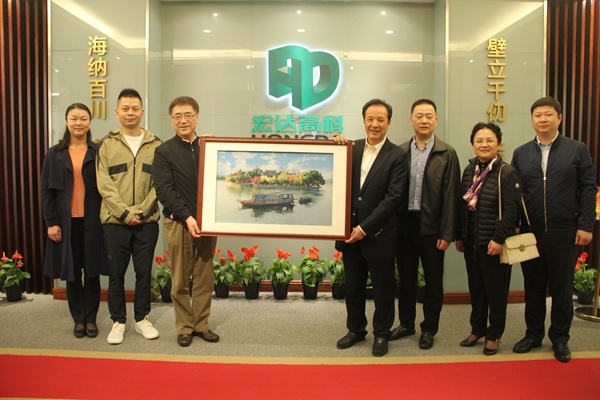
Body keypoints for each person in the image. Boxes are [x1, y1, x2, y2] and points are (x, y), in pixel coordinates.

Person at [511, 97, 596, 363]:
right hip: (531, 232)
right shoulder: (521, 153)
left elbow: (588, 188)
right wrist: (516, 225)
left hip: (565, 231)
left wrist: (585, 225)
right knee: (533, 288)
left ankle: (560, 339)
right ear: (532, 120)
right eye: (538, 115)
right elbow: (515, 193)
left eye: (548, 114)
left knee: (562, 290)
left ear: (559, 118)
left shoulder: (576, 149)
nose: (543, 119)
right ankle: (533, 335)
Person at [334, 98, 408, 357]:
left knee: (383, 289)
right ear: (364, 120)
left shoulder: (398, 155)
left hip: (379, 234)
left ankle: (382, 333)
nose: (375, 124)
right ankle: (355, 329)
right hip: (349, 234)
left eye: (380, 120)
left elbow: (393, 198)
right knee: (352, 286)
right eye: (370, 119)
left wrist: (364, 228)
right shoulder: (350, 148)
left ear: (389, 122)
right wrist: (336, 146)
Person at [391, 99, 461, 350]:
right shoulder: (399, 152)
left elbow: (452, 196)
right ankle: (406, 324)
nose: (424, 120)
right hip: (404, 226)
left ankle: (429, 329)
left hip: (433, 227)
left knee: (433, 282)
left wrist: (447, 233)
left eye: (429, 116)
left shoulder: (448, 153)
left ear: (436, 120)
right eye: (419, 116)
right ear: (411, 120)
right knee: (406, 280)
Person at [152, 96, 219, 347]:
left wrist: (215, 146)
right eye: (177, 116)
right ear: (172, 120)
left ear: (197, 117)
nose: (183, 120)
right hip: (179, 223)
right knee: (180, 279)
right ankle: (184, 327)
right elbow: (164, 191)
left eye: (188, 115)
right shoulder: (164, 151)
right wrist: (187, 217)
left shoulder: (208, 147)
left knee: (205, 277)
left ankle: (201, 324)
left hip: (207, 224)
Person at [96, 88, 162, 345]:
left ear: (142, 112)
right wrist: (124, 213)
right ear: (117, 112)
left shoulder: (156, 145)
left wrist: (142, 211)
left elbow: (160, 184)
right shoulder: (107, 145)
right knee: (116, 274)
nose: (130, 113)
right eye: (125, 109)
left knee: (144, 273)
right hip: (115, 222)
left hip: (147, 222)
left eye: (135, 108)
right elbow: (104, 184)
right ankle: (118, 321)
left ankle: (142, 318)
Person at [41, 103, 108, 339]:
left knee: (92, 273)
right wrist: (51, 222)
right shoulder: (54, 154)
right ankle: (78, 319)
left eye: (83, 118)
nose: (78, 123)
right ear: (66, 121)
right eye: (73, 118)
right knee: (72, 274)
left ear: (89, 122)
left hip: (93, 223)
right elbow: (46, 192)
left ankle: (91, 319)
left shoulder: (98, 152)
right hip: (66, 224)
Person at [455, 122, 521, 355]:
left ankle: (494, 335)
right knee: (477, 289)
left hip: (494, 243)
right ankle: (477, 329)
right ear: (473, 144)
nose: (484, 144)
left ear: (498, 144)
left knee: (496, 292)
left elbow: (512, 211)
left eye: (489, 140)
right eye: (479, 140)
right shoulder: (469, 170)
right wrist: (461, 235)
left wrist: (499, 238)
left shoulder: (506, 172)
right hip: (471, 241)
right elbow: (462, 206)